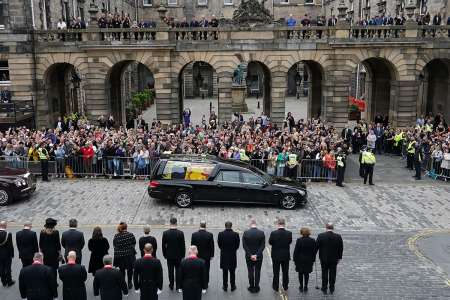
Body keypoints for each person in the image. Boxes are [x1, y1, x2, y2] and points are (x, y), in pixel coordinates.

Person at [316, 223, 343, 295]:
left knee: (324, 273)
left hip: (323, 258)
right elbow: (341, 248)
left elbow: (316, 247)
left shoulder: (321, 236)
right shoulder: (338, 236)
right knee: (333, 273)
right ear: (333, 228)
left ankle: (324, 288)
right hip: (334, 259)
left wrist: (313, 255)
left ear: (326, 227)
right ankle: (332, 288)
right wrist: (339, 257)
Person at [162, 217, 185, 292]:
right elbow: (182, 245)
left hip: (169, 255)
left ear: (170, 223)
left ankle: (171, 285)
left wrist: (165, 254)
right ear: (176, 223)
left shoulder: (165, 233)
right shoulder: (180, 233)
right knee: (178, 270)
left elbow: (163, 245)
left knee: (170, 270)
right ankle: (178, 286)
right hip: (178, 255)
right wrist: (183, 255)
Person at [269, 218, 292, 292]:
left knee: (276, 271)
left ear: (278, 224)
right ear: (284, 224)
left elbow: (270, 242)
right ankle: (285, 286)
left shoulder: (273, 233)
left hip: (275, 255)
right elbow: (289, 242)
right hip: (285, 255)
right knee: (285, 271)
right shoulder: (289, 233)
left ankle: (275, 287)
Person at [242, 219, 265, 293]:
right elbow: (262, 246)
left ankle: (251, 286)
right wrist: (256, 255)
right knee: (257, 271)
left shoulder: (246, 233)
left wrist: (250, 255)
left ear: (250, 224)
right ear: (256, 224)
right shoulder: (261, 233)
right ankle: (257, 287)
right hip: (259, 257)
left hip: (249, 257)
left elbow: (244, 246)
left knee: (250, 271)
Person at [113, 222, 136, 289]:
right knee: (130, 269)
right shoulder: (130, 235)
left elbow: (114, 245)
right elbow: (134, 243)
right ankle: (129, 282)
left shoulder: (116, 236)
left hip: (120, 256)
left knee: (122, 270)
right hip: (129, 256)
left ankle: (123, 283)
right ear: (126, 227)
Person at [190, 221, 214, 289]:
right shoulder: (210, 235)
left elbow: (192, 246)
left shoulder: (194, 234)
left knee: (197, 270)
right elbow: (211, 246)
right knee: (206, 270)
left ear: (199, 225)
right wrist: (212, 255)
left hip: (197, 255)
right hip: (206, 256)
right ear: (205, 226)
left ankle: (198, 282)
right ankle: (205, 285)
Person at [293, 227, 317, 292]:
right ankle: (306, 286)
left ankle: (301, 286)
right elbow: (314, 251)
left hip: (300, 259)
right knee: (306, 273)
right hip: (309, 259)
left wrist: (294, 259)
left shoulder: (299, 240)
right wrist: (313, 259)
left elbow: (296, 251)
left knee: (300, 273)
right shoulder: (312, 240)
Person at [217, 221, 239, 292]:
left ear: (225, 226)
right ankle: (233, 286)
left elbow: (219, 245)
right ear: (231, 226)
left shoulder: (220, 234)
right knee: (232, 272)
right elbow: (237, 246)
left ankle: (225, 286)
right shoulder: (236, 234)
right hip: (232, 256)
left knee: (224, 272)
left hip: (224, 256)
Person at [39, 218, 61, 285]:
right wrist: (60, 253)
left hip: (45, 254)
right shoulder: (56, 233)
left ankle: (48, 281)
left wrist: (41, 252)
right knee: (54, 269)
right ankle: (54, 282)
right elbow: (58, 244)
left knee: (46, 268)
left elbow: (40, 244)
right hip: (54, 254)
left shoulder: (42, 233)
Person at [0, 221, 14, 287]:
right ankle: (9, 281)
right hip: (7, 254)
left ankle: (3, 282)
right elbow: (10, 246)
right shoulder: (8, 234)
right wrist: (12, 254)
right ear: (5, 226)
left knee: (1, 268)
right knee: (8, 268)